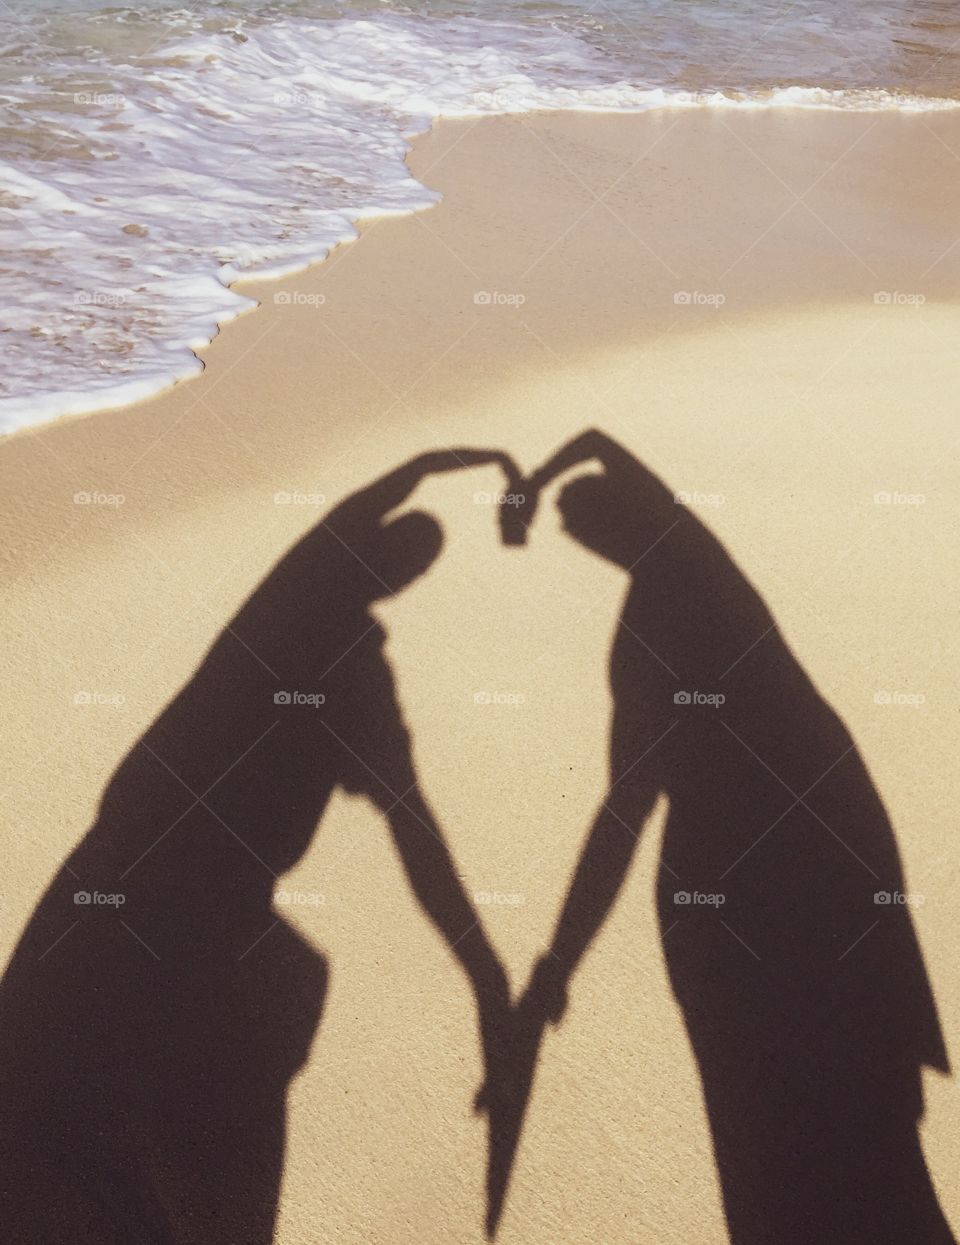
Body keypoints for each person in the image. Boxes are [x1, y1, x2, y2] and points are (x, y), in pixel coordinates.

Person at [0, 448, 518, 1244]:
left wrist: (483, 461)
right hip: (182, 923)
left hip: (112, 880)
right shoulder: (340, 651)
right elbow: (419, 837)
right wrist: (485, 975)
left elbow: (418, 836)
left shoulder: (301, 592)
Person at [514, 429, 953, 1244]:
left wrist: (558, 963)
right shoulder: (695, 556)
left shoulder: (647, 631)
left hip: (740, 891)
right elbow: (604, 442)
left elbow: (623, 815)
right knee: (873, 1130)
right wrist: (534, 481)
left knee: (773, 1145)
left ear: (598, 536)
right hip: (832, 845)